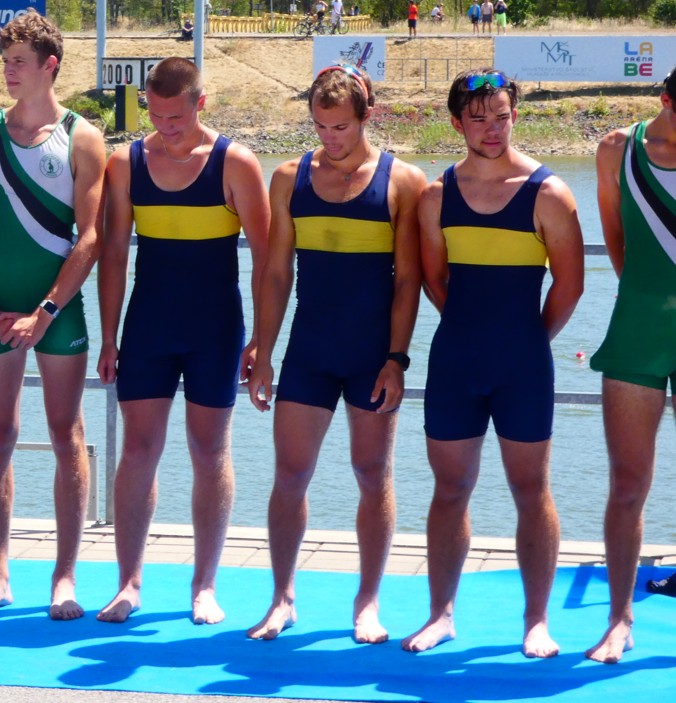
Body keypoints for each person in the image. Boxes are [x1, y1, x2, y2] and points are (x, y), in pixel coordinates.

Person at [402, 68, 583, 657]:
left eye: (501, 117)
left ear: (514, 116)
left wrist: (528, 340)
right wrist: (474, 330)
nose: (492, 129)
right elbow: (434, 279)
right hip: (456, 361)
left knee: (531, 489)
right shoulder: (436, 197)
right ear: (457, 123)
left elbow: (570, 286)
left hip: (522, 365)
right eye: (478, 119)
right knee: (450, 487)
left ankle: (536, 621)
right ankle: (440, 614)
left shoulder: (549, 194)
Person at [246, 65, 425, 644]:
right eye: (321, 127)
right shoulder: (289, 178)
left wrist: (397, 358)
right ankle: (281, 597)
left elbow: (408, 282)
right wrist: (263, 349)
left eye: (341, 127)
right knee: (290, 474)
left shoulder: (403, 181)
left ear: (368, 116)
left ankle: (367, 601)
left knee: (372, 474)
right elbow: (276, 273)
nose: (331, 138)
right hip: (310, 350)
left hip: (372, 353)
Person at [96, 57, 269, 625]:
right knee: (137, 450)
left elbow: (269, 261)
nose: (165, 127)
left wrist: (262, 341)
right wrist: (108, 337)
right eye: (155, 115)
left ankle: (205, 585)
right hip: (148, 325)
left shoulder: (235, 163)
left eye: (176, 117)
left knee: (209, 450)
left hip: (214, 329)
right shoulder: (127, 162)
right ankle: (128, 583)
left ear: (201, 104)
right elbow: (113, 255)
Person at [0, 9, 105, 619]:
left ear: (50, 66)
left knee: (67, 435)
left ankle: (65, 577)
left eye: (19, 62)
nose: (9, 71)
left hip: (57, 311)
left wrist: (45, 312)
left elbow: (90, 237)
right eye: (5, 61)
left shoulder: (82, 137)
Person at [584, 67, 676, 663]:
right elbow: (616, 239)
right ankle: (619, 619)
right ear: (666, 100)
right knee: (627, 484)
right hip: (637, 333)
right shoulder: (617, 150)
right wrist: (646, 299)